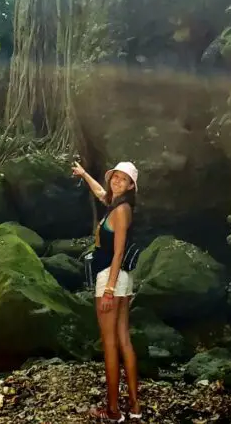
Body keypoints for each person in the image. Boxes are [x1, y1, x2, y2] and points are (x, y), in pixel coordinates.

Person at [72, 160, 142, 422]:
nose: (116, 181)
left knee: (110, 345)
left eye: (123, 180)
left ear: (131, 185)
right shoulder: (115, 205)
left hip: (110, 278)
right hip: (124, 278)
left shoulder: (121, 211)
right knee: (124, 340)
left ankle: (113, 411)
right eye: (115, 177)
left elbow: (119, 251)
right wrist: (84, 173)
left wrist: (110, 289)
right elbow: (101, 194)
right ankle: (134, 407)